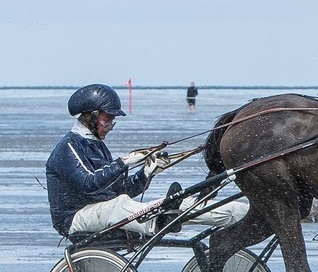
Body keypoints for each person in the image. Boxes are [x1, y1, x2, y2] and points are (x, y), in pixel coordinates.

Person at [46, 83, 248, 238]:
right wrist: (124, 162)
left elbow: (121, 189)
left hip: (105, 211)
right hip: (74, 218)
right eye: (107, 120)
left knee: (183, 204)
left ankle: (244, 213)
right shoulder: (69, 147)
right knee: (120, 205)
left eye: (112, 121)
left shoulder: (97, 145)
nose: (110, 126)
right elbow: (89, 184)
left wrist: (146, 173)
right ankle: (159, 221)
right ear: (90, 116)